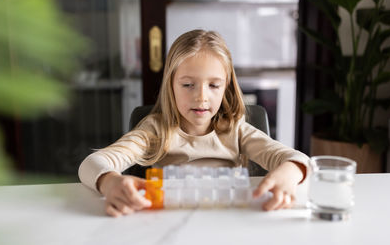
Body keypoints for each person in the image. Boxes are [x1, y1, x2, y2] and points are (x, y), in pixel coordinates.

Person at [78, 29, 309, 217]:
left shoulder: (237, 130)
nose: (201, 97)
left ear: (226, 86)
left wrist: (290, 172)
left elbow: (300, 160)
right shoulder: (155, 131)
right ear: (171, 85)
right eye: (188, 85)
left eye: (213, 85)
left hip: (227, 220)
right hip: (166, 224)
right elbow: (91, 164)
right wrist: (110, 183)